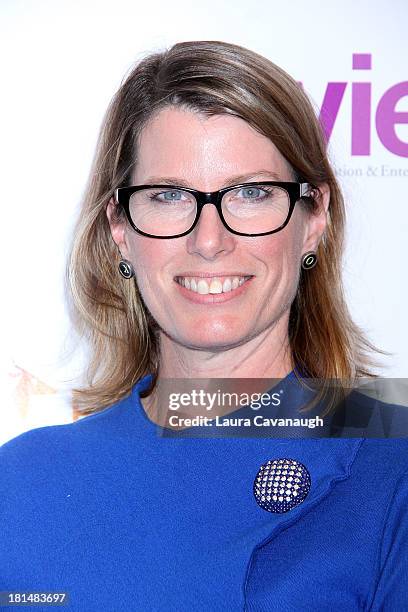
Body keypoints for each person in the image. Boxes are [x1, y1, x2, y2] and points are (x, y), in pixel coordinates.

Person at [1, 40, 407, 611]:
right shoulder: (21, 482)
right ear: (121, 227)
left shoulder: (393, 467)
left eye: (251, 193)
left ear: (313, 220)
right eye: (168, 195)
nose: (209, 241)